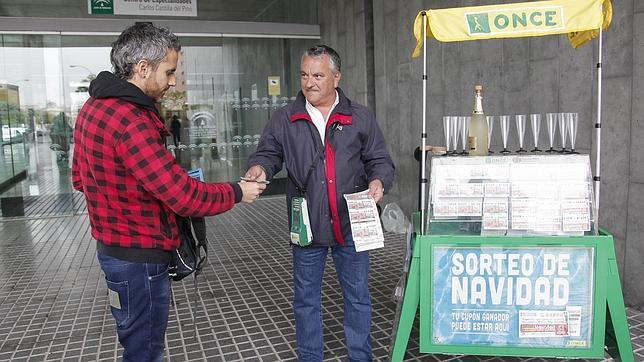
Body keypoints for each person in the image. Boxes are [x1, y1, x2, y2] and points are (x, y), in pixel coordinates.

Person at [71, 23, 265, 361]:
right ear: (143, 67)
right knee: (146, 351)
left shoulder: (92, 109)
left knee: (135, 344)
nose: (173, 80)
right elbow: (182, 196)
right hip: (139, 260)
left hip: (113, 252)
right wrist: (237, 191)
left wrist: (125, 194)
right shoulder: (130, 118)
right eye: (169, 71)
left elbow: (79, 178)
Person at [245, 45, 394, 361]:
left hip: (352, 223)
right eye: (303, 75)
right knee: (306, 300)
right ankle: (310, 356)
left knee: (357, 297)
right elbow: (267, 154)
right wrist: (260, 167)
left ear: (336, 77)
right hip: (307, 224)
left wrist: (379, 180)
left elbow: (380, 159)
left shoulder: (359, 117)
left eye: (317, 75)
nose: (309, 82)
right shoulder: (286, 118)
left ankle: (360, 356)